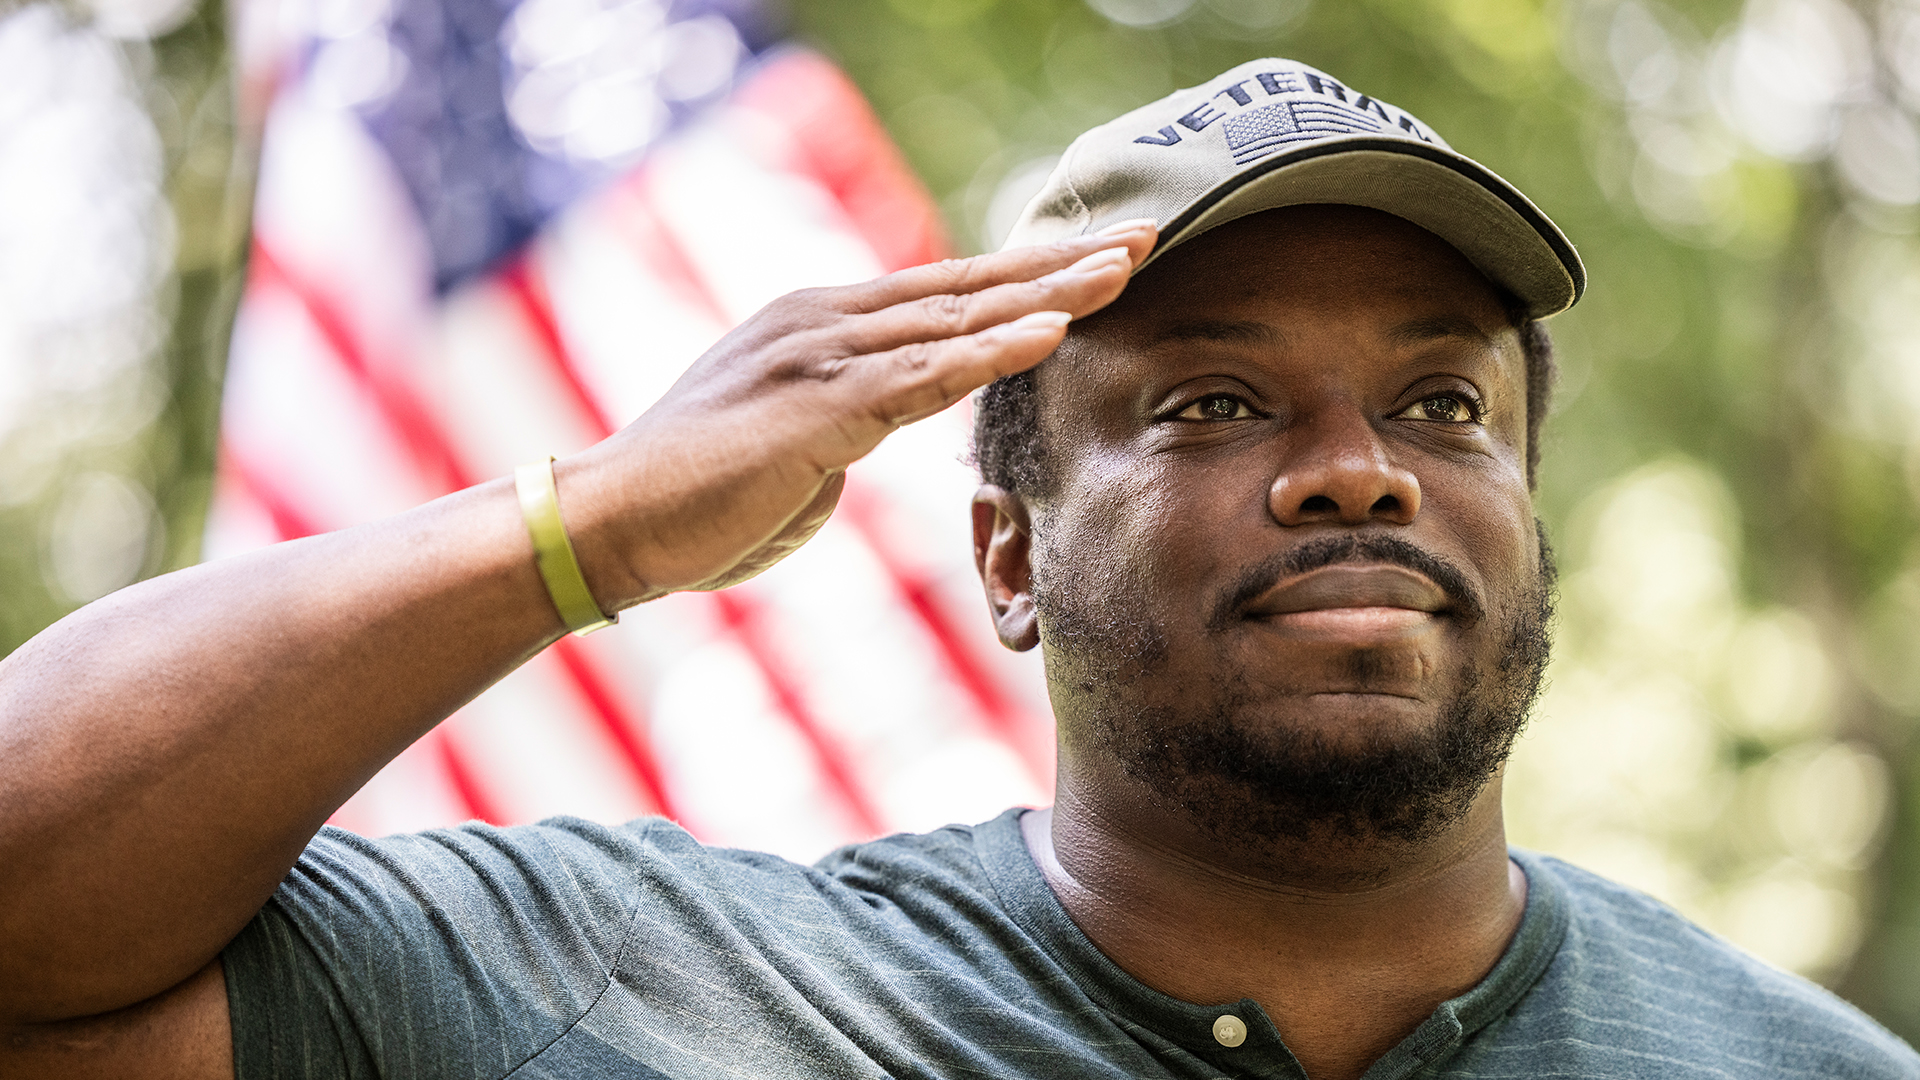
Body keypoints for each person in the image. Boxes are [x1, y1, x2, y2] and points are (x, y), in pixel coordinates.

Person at [0, 57, 1913, 1080]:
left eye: (1440, 408)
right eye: (1212, 408)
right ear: (1007, 552)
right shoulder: (619, 990)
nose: (1355, 478)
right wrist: (585, 527)